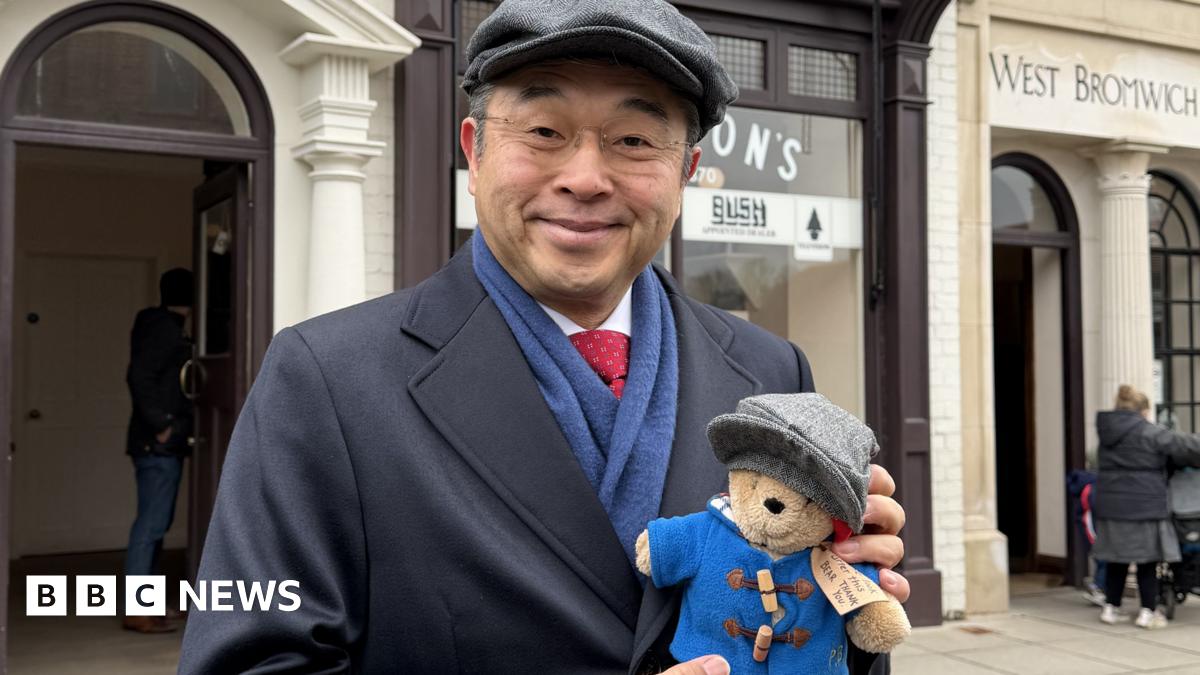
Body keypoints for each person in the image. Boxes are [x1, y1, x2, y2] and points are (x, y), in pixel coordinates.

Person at [178, 2, 909, 673]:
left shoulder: (768, 370)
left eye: (633, 139)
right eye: (543, 132)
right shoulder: (326, 380)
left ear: (686, 170)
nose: (585, 177)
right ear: (475, 150)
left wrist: (852, 597)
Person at [1093, 384, 1200, 630]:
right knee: (1147, 561)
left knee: (1116, 559)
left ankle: (1111, 608)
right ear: (1142, 411)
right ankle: (1147, 612)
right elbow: (1186, 446)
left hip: (1112, 505)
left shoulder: (1107, 434)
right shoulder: (1148, 433)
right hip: (1144, 505)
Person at [123, 267, 193, 634]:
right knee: (150, 526)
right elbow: (139, 376)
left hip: (157, 443)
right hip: (156, 444)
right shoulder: (163, 329)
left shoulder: (160, 326)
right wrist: (163, 425)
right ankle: (137, 608)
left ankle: (147, 602)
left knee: (156, 524)